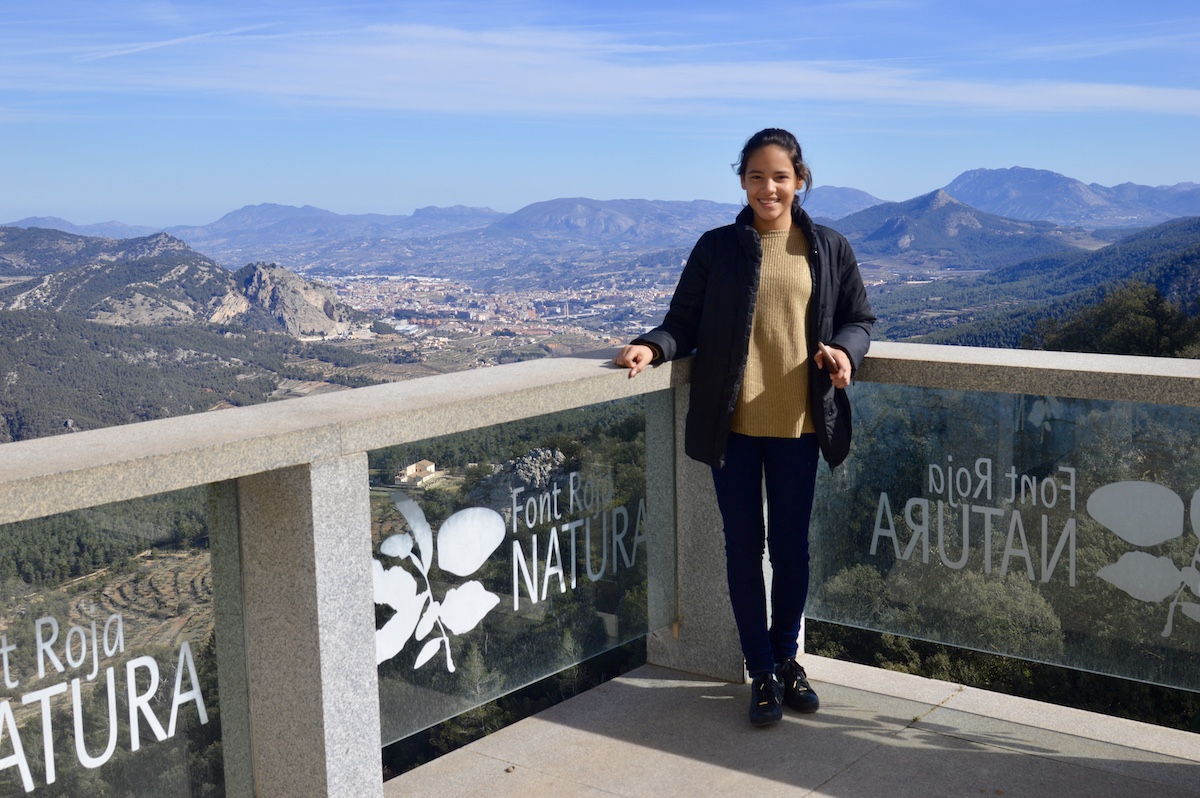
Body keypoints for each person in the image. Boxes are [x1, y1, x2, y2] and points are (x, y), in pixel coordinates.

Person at [614, 128, 874, 727]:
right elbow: (683, 320)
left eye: (779, 176)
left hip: (801, 423)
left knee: (790, 551)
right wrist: (652, 348)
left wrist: (844, 352)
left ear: (800, 180)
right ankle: (759, 670)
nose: (768, 188)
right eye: (756, 176)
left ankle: (787, 661)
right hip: (732, 424)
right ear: (742, 182)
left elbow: (861, 319)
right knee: (741, 549)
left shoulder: (829, 247)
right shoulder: (717, 247)